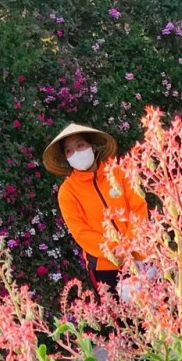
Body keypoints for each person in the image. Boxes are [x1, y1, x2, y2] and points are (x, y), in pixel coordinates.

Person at [44, 121, 149, 297]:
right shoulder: (67, 191)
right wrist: (113, 249)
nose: (76, 153)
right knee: (120, 313)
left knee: (160, 306)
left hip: (141, 253)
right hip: (104, 266)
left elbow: (138, 207)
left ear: (91, 146)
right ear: (66, 158)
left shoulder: (117, 172)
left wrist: (129, 244)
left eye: (80, 145)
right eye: (69, 151)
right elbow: (81, 231)